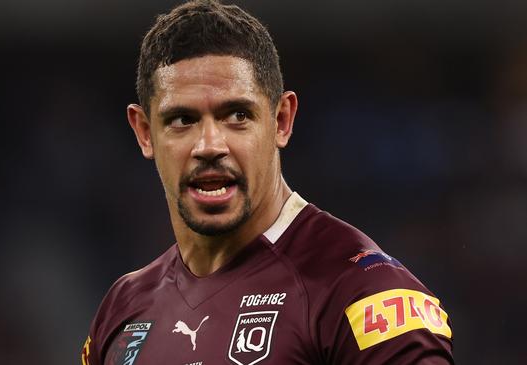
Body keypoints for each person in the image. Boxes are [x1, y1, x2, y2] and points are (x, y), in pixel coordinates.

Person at [81, 1, 454, 364]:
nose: (210, 145)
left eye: (237, 115)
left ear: (281, 121)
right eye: (182, 120)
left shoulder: (362, 293)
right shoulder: (124, 309)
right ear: (145, 132)